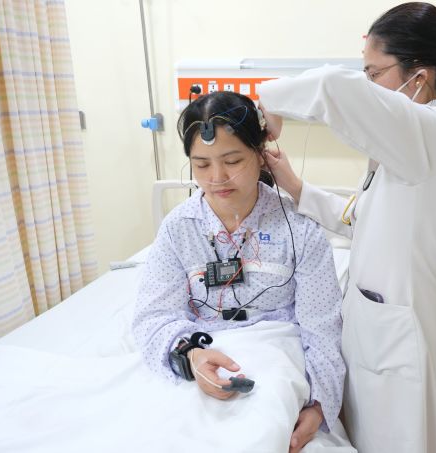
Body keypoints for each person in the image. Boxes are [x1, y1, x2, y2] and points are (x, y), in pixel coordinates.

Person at [258, 2, 436, 452]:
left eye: (373, 73)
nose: (367, 84)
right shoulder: (416, 144)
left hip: (400, 352)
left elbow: (332, 87)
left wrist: (270, 98)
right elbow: (363, 218)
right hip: (378, 339)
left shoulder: (435, 132)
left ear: (418, 77)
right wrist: (295, 186)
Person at [132, 91, 345, 452]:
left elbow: (322, 331)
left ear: (261, 154)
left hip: (276, 357)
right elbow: (153, 316)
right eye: (201, 165)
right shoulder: (179, 228)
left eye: (232, 160)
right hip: (204, 354)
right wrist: (190, 357)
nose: (217, 177)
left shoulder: (300, 228)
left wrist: (319, 407)